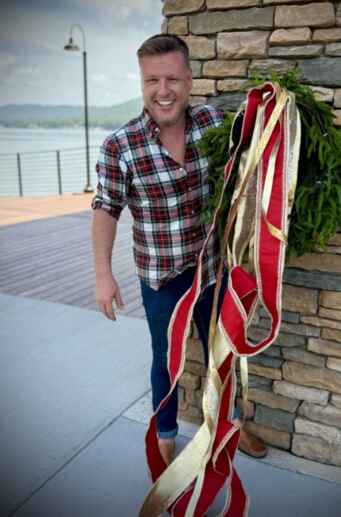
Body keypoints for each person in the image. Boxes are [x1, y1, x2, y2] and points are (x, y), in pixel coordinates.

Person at [91, 34, 267, 466]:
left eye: (172, 78)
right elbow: (106, 208)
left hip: (213, 268)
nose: (162, 90)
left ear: (189, 80)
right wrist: (103, 273)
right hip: (161, 278)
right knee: (164, 361)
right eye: (152, 80)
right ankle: (165, 435)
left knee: (219, 353)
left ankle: (229, 424)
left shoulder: (214, 123)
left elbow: (256, 151)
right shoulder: (121, 146)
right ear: (142, 83)